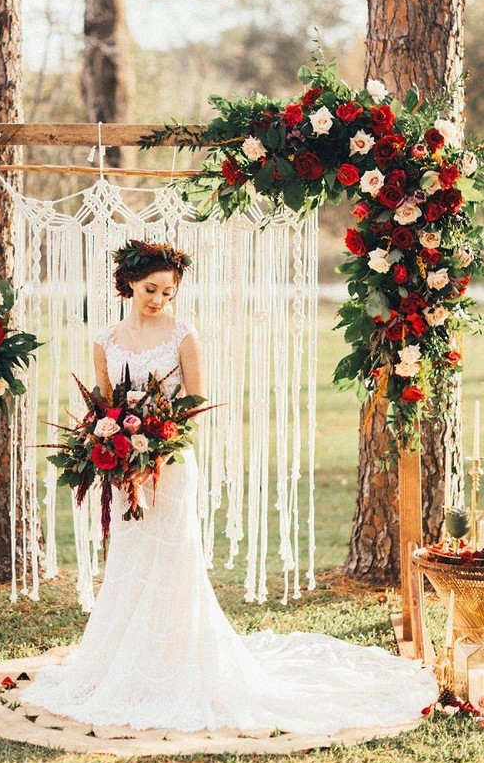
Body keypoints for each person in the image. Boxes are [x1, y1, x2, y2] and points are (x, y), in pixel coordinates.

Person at [22, 239, 437, 734]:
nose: (158, 299)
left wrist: (154, 444)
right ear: (129, 283)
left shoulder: (182, 334)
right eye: (151, 289)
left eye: (168, 292)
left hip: (170, 465)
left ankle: (179, 664)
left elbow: (195, 404)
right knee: (130, 564)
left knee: (174, 563)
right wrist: (113, 448)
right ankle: (126, 663)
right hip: (121, 471)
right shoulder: (104, 340)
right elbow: (103, 405)